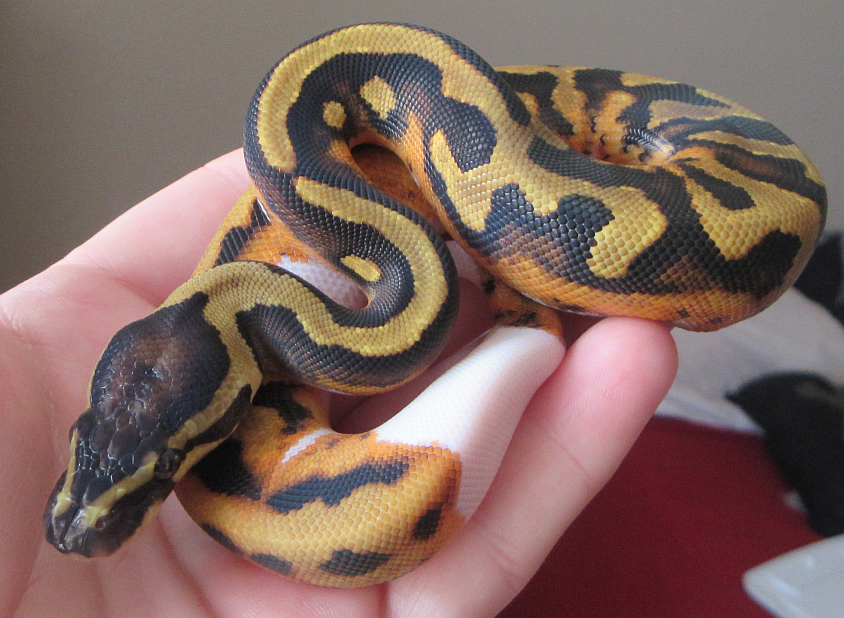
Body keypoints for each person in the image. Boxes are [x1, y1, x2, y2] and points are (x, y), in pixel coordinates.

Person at [0, 150, 677, 617]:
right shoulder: (234, 326)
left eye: (166, 468)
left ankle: (527, 331)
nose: (74, 515)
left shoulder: (246, 320)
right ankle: (526, 331)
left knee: (551, 342)